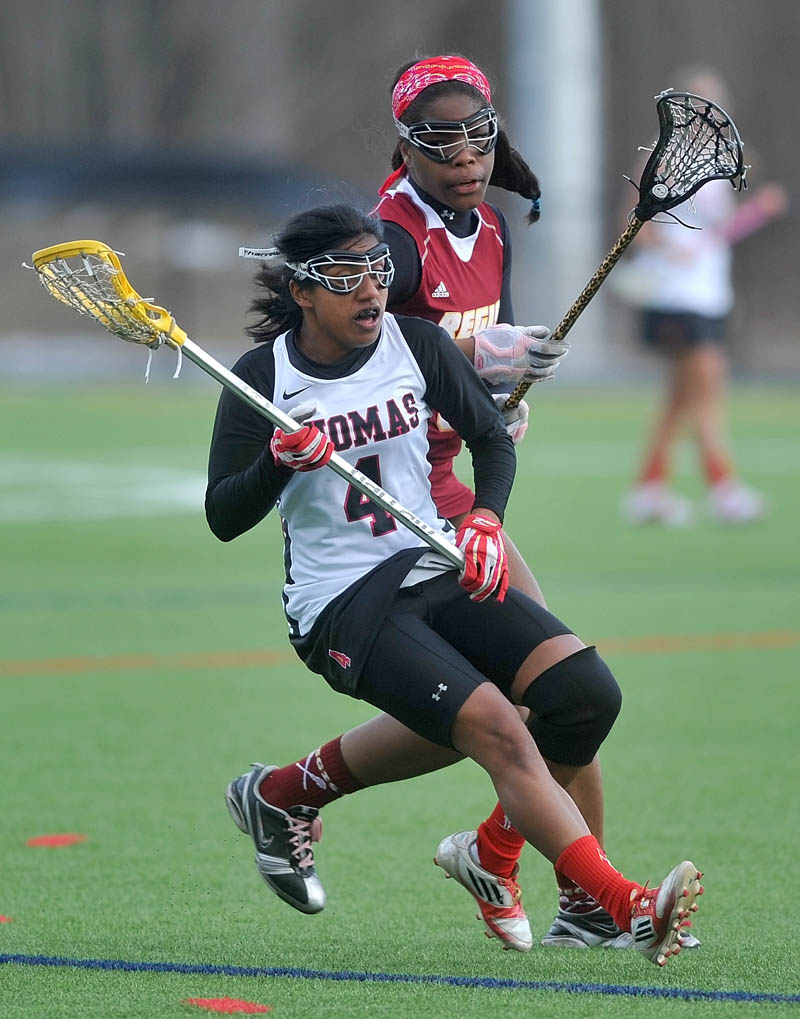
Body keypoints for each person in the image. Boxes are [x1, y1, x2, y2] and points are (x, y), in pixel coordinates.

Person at [206, 201, 702, 969]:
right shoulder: (262, 378)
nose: (370, 290)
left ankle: (464, 842)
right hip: (343, 603)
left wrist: (486, 520)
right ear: (302, 290)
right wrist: (278, 461)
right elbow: (222, 515)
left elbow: (491, 441)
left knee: (583, 694)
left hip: (435, 559)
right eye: (345, 276)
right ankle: (624, 905)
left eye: (377, 270)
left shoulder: (417, 343)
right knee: (498, 727)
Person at [229, 54, 638, 955]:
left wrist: (503, 391)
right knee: (509, 711)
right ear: (406, 145)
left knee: (564, 696)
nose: (464, 157)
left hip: (460, 488)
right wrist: (477, 362)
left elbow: (470, 365)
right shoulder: (393, 240)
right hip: (404, 505)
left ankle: (316, 799)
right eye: (440, 141)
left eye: (478, 137)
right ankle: (557, 882)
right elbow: (371, 344)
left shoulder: (488, 225)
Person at [618, 67, 789, 526]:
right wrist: (667, 249)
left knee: (682, 396)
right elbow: (634, 226)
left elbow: (717, 234)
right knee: (707, 389)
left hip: (708, 294)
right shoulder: (660, 159)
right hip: (675, 297)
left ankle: (649, 489)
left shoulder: (722, 164)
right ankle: (723, 488)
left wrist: (756, 211)